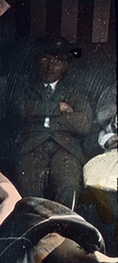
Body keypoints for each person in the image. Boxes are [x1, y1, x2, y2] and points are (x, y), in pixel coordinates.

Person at [12, 41, 93, 208]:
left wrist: (42, 116)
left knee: (69, 186)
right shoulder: (24, 85)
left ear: (65, 66)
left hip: (66, 148)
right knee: (29, 188)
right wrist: (58, 108)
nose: (50, 66)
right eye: (45, 59)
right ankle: (35, 230)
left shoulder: (75, 90)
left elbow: (84, 124)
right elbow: (19, 109)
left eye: (57, 61)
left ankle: (65, 229)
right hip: (32, 146)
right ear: (37, 61)